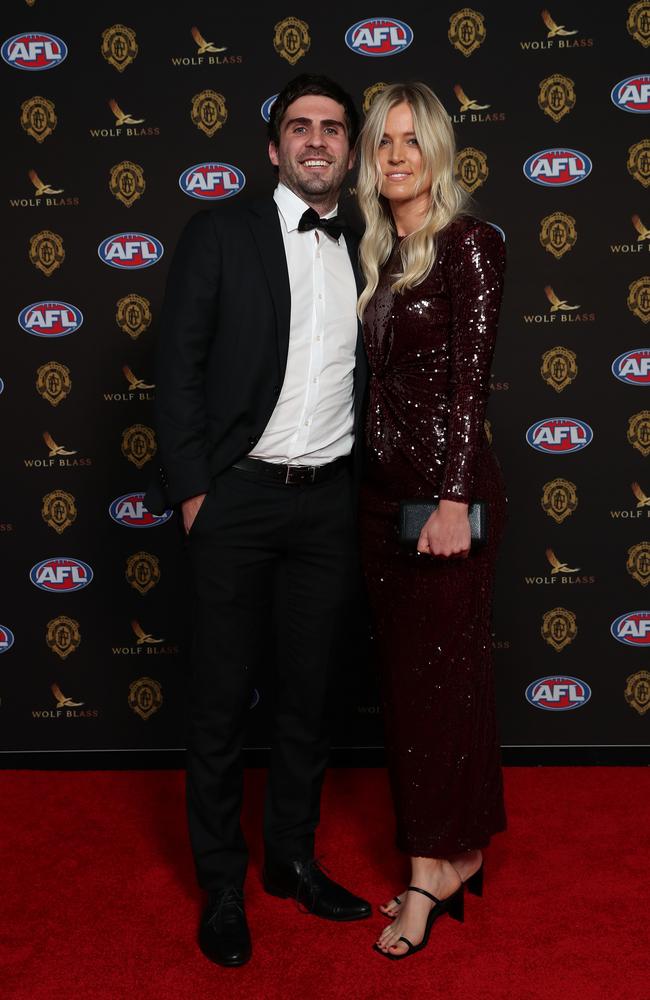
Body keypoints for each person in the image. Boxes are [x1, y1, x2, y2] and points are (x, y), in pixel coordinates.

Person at [146, 74, 370, 968]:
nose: (317, 141)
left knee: (307, 701)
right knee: (217, 704)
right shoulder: (220, 234)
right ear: (273, 148)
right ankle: (223, 887)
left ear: (349, 152)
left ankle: (292, 863)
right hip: (234, 500)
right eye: (299, 128)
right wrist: (197, 493)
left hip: (328, 504)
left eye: (332, 129)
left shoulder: (369, 240)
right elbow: (178, 372)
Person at [356, 82, 507, 960]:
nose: (399, 156)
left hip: (443, 501)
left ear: (439, 151)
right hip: (379, 502)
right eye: (384, 143)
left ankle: (427, 873)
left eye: (413, 140)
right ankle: (460, 851)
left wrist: (453, 500)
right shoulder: (382, 254)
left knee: (441, 689)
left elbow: (469, 383)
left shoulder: (470, 245)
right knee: (416, 694)